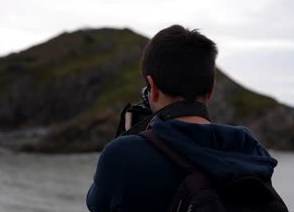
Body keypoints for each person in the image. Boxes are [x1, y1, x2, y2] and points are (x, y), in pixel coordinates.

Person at [86, 25, 283, 212]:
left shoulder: (122, 154)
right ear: (211, 88)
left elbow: (97, 204)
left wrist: (128, 136)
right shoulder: (251, 151)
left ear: (152, 88)